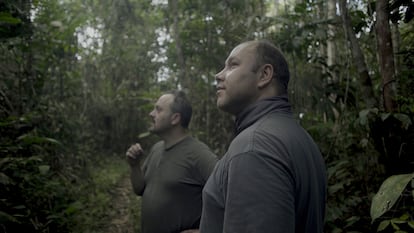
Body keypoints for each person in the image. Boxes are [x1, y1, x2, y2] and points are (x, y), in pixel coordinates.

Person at [199, 40, 327, 233]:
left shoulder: (254, 146)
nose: (219, 75)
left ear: (264, 75)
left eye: (232, 65)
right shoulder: (297, 136)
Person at [126, 90, 218, 233]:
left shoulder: (198, 154)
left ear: (175, 118)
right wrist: (134, 165)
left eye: (158, 110)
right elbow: (139, 189)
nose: (151, 114)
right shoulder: (156, 148)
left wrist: (207, 230)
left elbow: (232, 195)